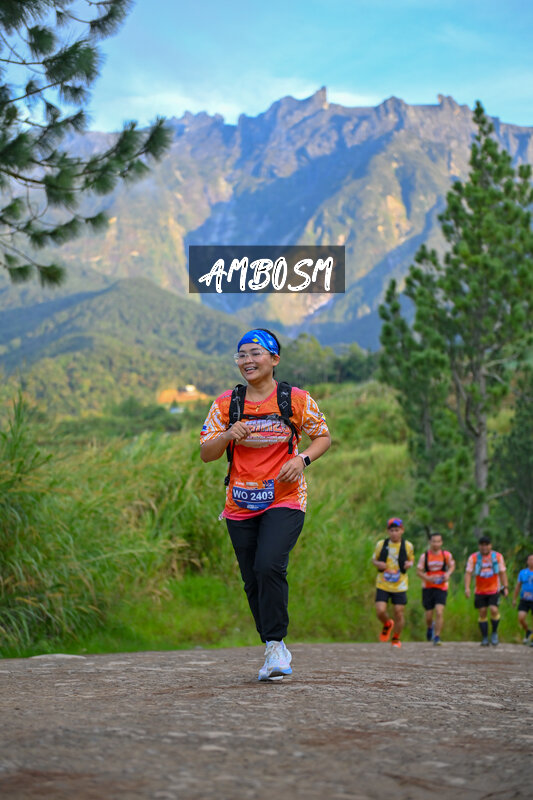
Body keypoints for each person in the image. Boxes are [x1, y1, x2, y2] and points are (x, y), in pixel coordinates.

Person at [200, 328, 331, 681]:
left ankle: (275, 645)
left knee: (269, 564)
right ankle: (273, 643)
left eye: (255, 353)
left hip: (285, 498)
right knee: (252, 579)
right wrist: (228, 434)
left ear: (274, 359)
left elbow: (322, 436)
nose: (247, 360)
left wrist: (301, 460)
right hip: (240, 503)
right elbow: (206, 453)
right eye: (241, 355)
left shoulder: (295, 400)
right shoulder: (227, 404)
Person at [372, 518, 414, 648]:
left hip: (400, 585)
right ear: (387, 531)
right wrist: (378, 564)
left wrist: (409, 564)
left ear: (402, 530)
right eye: (392, 530)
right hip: (383, 583)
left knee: (398, 612)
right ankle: (387, 623)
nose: (394, 533)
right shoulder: (381, 544)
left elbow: (411, 560)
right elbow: (374, 560)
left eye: (397, 530)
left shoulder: (408, 546)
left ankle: (396, 638)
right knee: (380, 610)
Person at [465, 536, 509, 646]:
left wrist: (505, 587)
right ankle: (484, 637)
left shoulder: (497, 557)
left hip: (494, 589)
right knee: (482, 612)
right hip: (480, 590)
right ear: (479, 546)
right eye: (482, 545)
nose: (484, 547)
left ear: (490, 545)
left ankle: (494, 632)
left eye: (486, 545)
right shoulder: (473, 557)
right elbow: (468, 573)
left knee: (494, 610)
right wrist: (467, 588)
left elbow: (502, 572)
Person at [416, 532, 455, 646]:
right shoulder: (424, 556)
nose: (436, 544)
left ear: (441, 542)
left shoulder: (446, 555)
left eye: (438, 541)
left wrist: (448, 574)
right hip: (428, 588)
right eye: (434, 541)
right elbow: (418, 572)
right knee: (428, 615)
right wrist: (428, 578)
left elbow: (452, 566)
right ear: (430, 542)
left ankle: (437, 636)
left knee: (439, 611)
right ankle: (430, 627)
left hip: (441, 587)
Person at [512, 553, 533, 645]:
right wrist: (514, 599)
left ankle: (532, 639)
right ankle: (528, 631)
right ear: (527, 561)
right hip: (524, 599)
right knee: (521, 617)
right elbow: (518, 586)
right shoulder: (522, 573)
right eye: (530, 559)